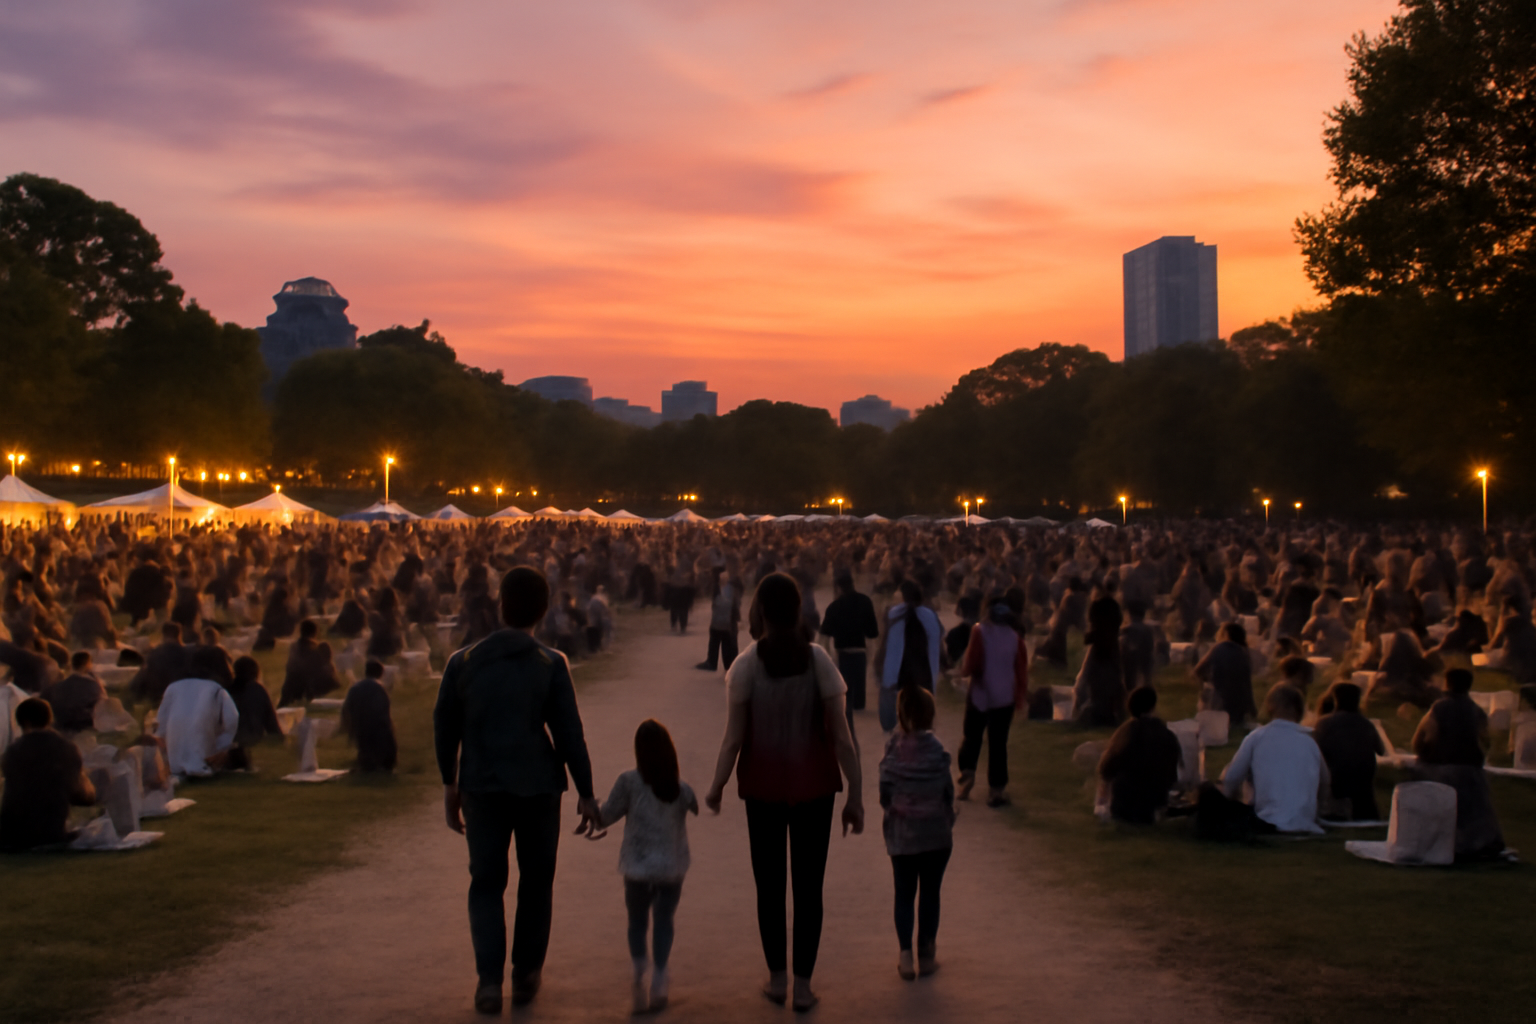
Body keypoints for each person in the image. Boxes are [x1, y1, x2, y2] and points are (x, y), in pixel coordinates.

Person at [434, 566, 600, 1013]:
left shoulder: (463, 662)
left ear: (500, 604)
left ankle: (488, 982)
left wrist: (450, 784)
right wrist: (585, 791)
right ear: (543, 611)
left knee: (486, 883)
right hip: (538, 789)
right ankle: (526, 973)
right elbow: (569, 733)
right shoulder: (550, 663)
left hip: (482, 787)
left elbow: (445, 728)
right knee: (535, 882)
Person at [705, 572, 864, 1013]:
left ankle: (777, 979)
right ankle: (803, 986)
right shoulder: (818, 662)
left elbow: (733, 740)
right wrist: (856, 795)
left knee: (770, 887)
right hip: (815, 790)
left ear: (759, 613)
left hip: (763, 790)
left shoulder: (745, 666)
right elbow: (843, 738)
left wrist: (717, 786)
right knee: (809, 889)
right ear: (798, 611)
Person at [597, 719, 698, 1014]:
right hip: (671, 867)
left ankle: (640, 964)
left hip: (637, 867)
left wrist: (591, 810)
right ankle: (660, 974)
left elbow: (606, 817)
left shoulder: (628, 782)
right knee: (664, 920)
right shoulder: (679, 789)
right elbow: (695, 807)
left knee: (637, 921)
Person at [879, 686, 954, 981]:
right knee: (931, 894)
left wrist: (896, 809)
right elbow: (947, 792)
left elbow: (885, 792)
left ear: (899, 714)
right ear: (931, 715)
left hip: (902, 834)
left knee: (904, 894)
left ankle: (905, 956)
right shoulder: (937, 751)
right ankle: (927, 954)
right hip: (935, 834)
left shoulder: (892, 750)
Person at [1410, 668, 1505, 861]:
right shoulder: (1476, 710)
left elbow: (1419, 741)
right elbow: (1485, 743)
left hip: (1442, 769)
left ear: (1447, 683)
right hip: (1472, 772)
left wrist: (1427, 756)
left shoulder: (1439, 708)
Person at [1214, 683, 1328, 835]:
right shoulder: (1310, 742)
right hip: (1305, 822)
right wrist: (1316, 813)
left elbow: (1231, 778)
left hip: (1267, 820)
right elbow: (1326, 780)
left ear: (1270, 707)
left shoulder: (1257, 737)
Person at [957, 597, 1028, 806]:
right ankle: (996, 790)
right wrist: (1020, 699)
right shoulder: (1017, 639)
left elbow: (971, 664)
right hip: (1004, 697)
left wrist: (964, 673)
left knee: (972, 737)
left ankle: (967, 776)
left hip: (980, 693)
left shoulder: (979, 632)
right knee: (998, 744)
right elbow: (1021, 672)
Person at [0, 698, 96, 852]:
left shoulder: (11, 752)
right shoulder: (65, 748)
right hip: (50, 833)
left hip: (11, 835)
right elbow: (81, 796)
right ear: (49, 720)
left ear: (22, 722)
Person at [1096, 686, 1183, 825]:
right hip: (1155, 801)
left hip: (1125, 803)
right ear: (1152, 707)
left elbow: (1105, 768)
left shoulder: (1126, 732)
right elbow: (1172, 775)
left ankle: (1102, 809)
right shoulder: (1167, 734)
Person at [155, 645, 241, 777]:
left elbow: (161, 724)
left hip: (173, 762)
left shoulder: (173, 687)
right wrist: (222, 748)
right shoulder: (216, 690)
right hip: (206, 760)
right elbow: (232, 720)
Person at [819, 571, 880, 736]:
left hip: (842, 653)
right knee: (859, 696)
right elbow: (873, 632)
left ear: (838, 587)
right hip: (861, 652)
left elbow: (824, 634)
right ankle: (859, 704)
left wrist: (826, 656)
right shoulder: (865, 601)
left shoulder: (835, 606)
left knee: (845, 694)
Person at [1311, 682, 1384, 820]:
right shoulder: (1366, 724)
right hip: (1364, 786)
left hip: (1335, 783)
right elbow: (1381, 750)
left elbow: (1314, 751)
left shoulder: (1324, 723)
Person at [876, 580, 942, 732]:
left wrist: (879, 663)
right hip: (923, 670)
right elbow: (937, 642)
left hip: (898, 671)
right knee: (922, 708)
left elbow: (884, 642)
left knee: (890, 717)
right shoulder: (930, 615)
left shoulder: (893, 613)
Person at [1194, 622, 1257, 728]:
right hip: (1238, 711)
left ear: (1225, 634)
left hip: (1217, 707)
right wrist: (1252, 709)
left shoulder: (1218, 648)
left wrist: (1207, 680)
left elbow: (1198, 670)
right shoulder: (1244, 654)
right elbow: (1247, 685)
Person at [224, 655, 281, 772]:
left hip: (228, 739)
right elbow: (271, 722)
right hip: (252, 736)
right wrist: (278, 737)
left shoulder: (227, 690)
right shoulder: (258, 690)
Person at [341, 659, 398, 773]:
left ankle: (368, 761)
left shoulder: (354, 688)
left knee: (367, 755)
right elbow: (384, 715)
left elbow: (346, 711)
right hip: (378, 732)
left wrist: (350, 731)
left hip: (360, 731)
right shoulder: (379, 689)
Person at [279, 619, 341, 706]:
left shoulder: (294, 647)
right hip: (312, 688)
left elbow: (289, 668)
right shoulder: (319, 648)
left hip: (291, 688)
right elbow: (328, 670)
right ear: (315, 633)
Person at [40, 652, 105, 734]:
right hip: (85, 727)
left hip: (61, 726)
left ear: (72, 665)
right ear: (88, 664)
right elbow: (103, 707)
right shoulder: (94, 686)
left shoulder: (58, 686)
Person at [128, 622, 187, 708]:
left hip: (157, 695)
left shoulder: (155, 653)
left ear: (163, 635)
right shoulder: (187, 653)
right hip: (180, 693)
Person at [697, 569, 741, 673]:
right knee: (725, 642)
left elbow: (725, 606)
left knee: (720, 640)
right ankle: (728, 665)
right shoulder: (729, 589)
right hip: (726, 622)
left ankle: (713, 662)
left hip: (722, 622)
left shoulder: (722, 589)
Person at [1118, 599, 1157, 694]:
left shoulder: (1127, 630)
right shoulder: (1148, 630)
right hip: (1146, 662)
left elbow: (1126, 647)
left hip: (1130, 664)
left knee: (1130, 688)